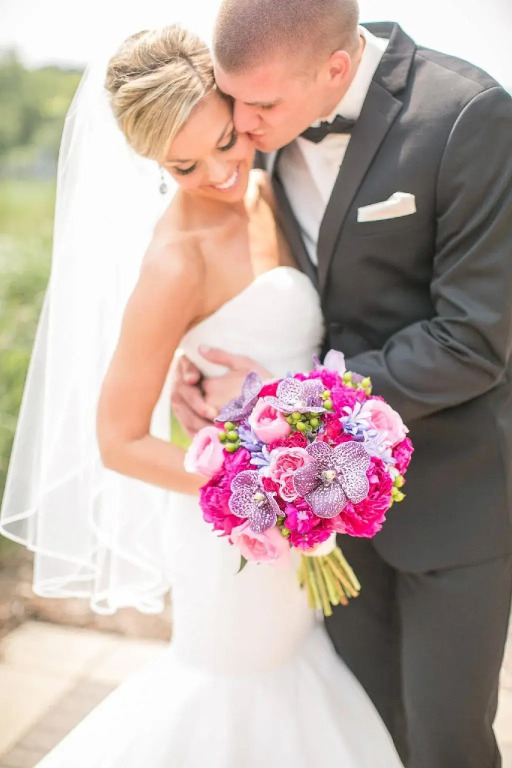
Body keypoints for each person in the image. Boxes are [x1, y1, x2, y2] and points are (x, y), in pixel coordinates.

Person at [2, 24, 403, 768]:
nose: (220, 173)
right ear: (150, 162)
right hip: (237, 532)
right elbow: (118, 440)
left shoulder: (269, 184)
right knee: (233, 690)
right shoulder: (175, 262)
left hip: (301, 512)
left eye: (226, 141)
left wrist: (304, 464)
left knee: (296, 677)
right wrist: (262, 486)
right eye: (183, 166)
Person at [171, 1, 512, 766]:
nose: (242, 126)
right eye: (234, 102)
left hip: (454, 499)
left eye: (261, 106)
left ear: (334, 68)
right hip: (321, 511)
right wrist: (192, 363)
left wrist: (289, 402)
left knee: (447, 742)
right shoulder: (257, 135)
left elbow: (472, 339)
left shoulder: (468, 116)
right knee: (360, 733)